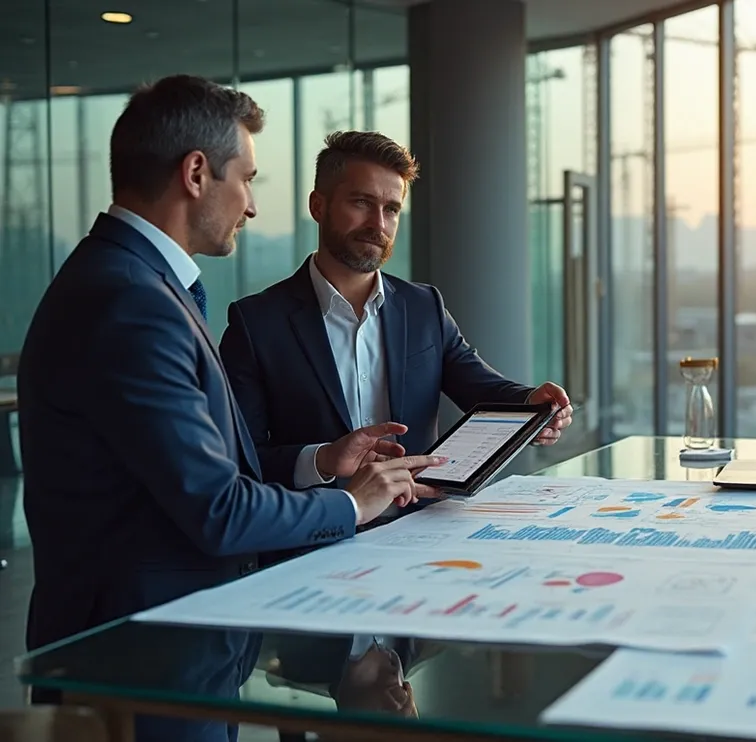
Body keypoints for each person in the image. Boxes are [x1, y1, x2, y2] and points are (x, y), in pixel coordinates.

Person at [17, 75, 443, 742]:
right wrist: (353, 503)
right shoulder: (132, 303)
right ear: (195, 173)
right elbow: (217, 509)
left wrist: (325, 462)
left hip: (160, 656)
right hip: (146, 666)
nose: (249, 206)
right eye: (245, 178)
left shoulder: (136, 285)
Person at [218, 130, 572, 509]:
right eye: (361, 202)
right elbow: (242, 459)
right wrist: (323, 459)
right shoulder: (256, 323)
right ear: (318, 206)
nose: (379, 224)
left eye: (391, 209)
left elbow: (483, 387)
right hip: (317, 534)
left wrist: (532, 405)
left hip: (419, 526)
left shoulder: (424, 306)